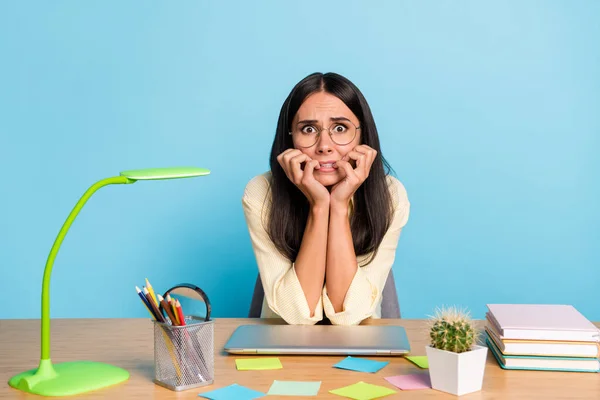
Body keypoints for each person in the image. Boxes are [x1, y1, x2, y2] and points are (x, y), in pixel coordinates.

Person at [242, 72, 410, 325]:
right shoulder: (261, 192)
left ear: (363, 136)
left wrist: (339, 206)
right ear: (289, 137)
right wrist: (320, 206)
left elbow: (349, 316)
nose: (324, 145)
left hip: (361, 343)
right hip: (283, 344)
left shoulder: (389, 195)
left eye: (340, 128)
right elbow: (299, 315)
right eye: (308, 129)